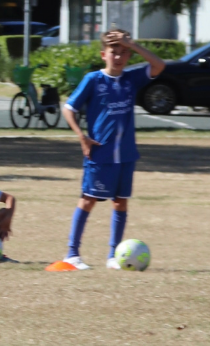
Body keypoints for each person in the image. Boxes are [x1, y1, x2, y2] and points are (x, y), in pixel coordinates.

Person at [55, 29, 165, 271]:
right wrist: (81, 136)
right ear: (104, 54)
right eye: (114, 52)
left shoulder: (131, 78)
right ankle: (72, 254)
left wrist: (133, 44)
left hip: (126, 155)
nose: (119, 57)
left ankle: (113, 256)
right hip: (100, 153)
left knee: (120, 203)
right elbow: (68, 108)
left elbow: (159, 65)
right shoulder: (93, 80)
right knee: (88, 200)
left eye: (124, 53)